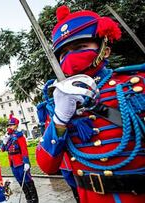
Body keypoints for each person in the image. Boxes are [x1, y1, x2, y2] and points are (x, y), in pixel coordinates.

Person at [36, 5, 145, 202]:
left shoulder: (135, 84)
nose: (69, 57)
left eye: (80, 48)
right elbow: (47, 166)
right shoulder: (58, 102)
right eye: (63, 54)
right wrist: (60, 120)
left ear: (105, 49)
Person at [2, 114, 38, 203]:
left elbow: (24, 149)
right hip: (12, 163)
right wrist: (4, 142)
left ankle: (34, 199)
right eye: (8, 125)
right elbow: (3, 150)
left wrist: (26, 162)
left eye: (11, 125)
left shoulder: (19, 135)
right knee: (19, 180)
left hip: (20, 162)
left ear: (16, 125)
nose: (9, 127)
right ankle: (28, 199)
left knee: (27, 180)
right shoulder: (8, 136)